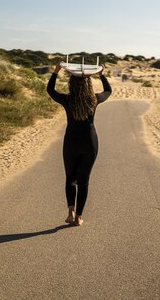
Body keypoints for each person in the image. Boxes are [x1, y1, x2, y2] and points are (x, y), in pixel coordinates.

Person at [46, 62, 112, 226]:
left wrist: (56, 71)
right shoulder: (94, 100)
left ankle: (70, 212)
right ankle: (79, 217)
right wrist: (101, 74)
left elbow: (50, 91)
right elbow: (108, 91)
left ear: (71, 84)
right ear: (88, 84)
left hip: (71, 143)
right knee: (84, 181)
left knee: (70, 178)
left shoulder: (68, 100)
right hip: (90, 142)